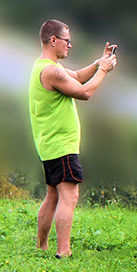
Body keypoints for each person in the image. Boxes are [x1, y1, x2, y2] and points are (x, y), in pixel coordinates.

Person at [28, 19, 117, 258]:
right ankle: (63, 251)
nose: (70, 45)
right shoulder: (53, 71)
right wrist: (104, 71)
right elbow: (84, 92)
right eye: (67, 40)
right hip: (62, 146)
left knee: (53, 196)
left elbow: (77, 76)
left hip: (49, 145)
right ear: (53, 40)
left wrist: (99, 62)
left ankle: (41, 247)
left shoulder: (44, 67)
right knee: (70, 196)